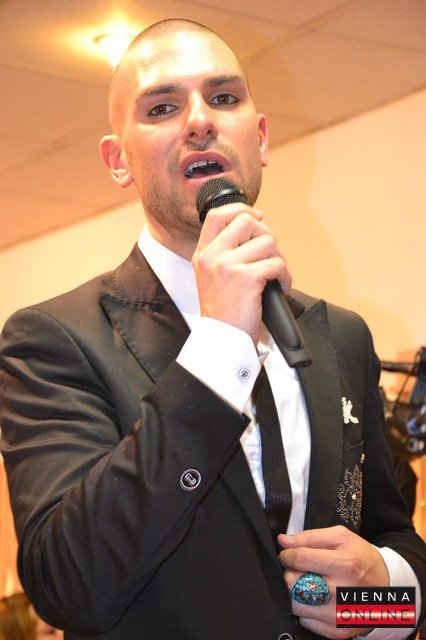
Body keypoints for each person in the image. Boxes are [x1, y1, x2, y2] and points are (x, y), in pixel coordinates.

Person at [0, 18, 424, 640]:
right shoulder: (53, 340)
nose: (200, 120)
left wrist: (378, 602)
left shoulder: (342, 336)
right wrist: (220, 344)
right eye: (162, 107)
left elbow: (393, 544)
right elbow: (69, 585)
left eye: (223, 98)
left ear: (261, 138)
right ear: (118, 161)